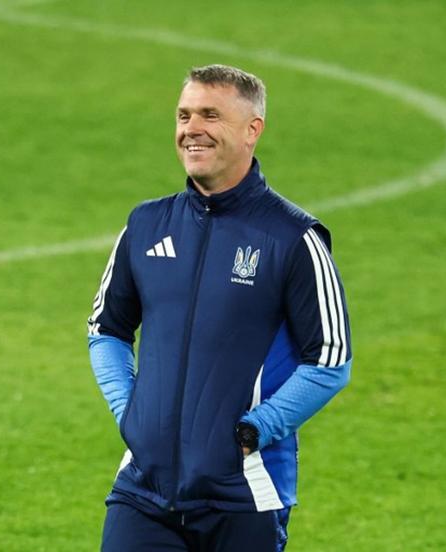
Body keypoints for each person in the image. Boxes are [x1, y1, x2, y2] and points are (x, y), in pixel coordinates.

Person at [87, 64, 352, 552]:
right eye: (184, 115)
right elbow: (106, 329)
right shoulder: (145, 226)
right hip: (143, 492)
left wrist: (258, 429)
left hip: (245, 491)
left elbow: (331, 361)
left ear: (253, 130)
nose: (192, 129)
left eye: (211, 115)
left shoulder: (293, 238)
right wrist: (131, 412)